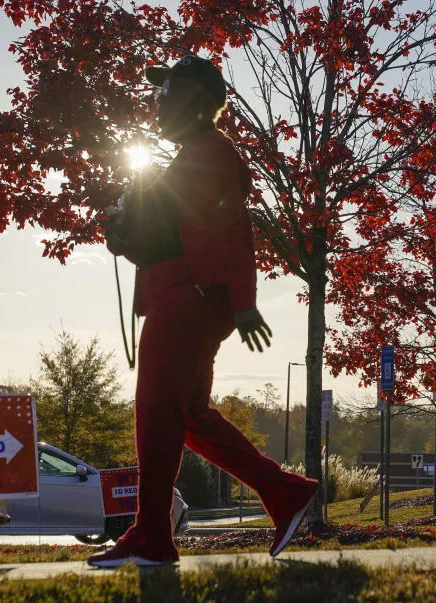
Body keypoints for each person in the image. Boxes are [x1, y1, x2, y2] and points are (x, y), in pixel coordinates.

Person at [88, 54, 318, 568]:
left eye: (166, 90)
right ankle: (284, 492)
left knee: (155, 412)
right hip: (182, 295)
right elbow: (165, 236)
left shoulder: (209, 151)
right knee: (188, 415)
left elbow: (233, 229)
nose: (157, 100)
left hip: (189, 298)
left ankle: (150, 537)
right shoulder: (191, 154)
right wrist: (123, 232)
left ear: (195, 97)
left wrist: (242, 302)